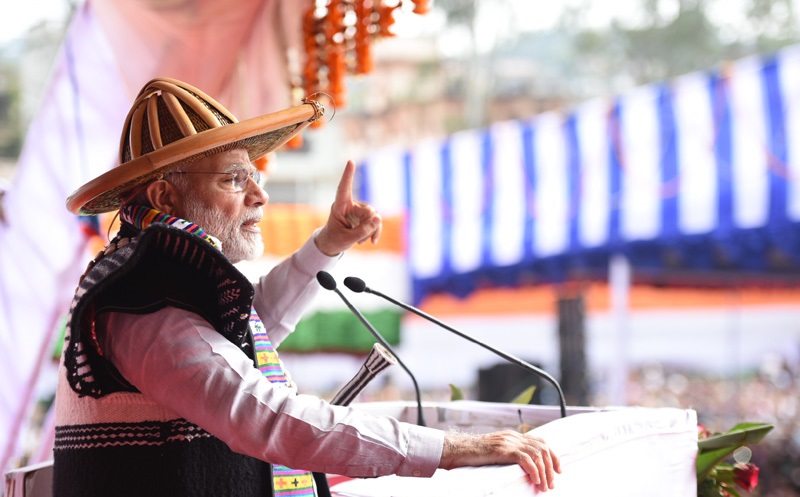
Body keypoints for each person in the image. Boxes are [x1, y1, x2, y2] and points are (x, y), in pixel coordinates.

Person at [53, 77, 560, 497]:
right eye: (233, 180)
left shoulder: (152, 275)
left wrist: (328, 244)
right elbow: (270, 419)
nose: (260, 194)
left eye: (254, 175)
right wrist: (455, 449)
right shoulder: (141, 299)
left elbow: (247, 334)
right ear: (165, 196)